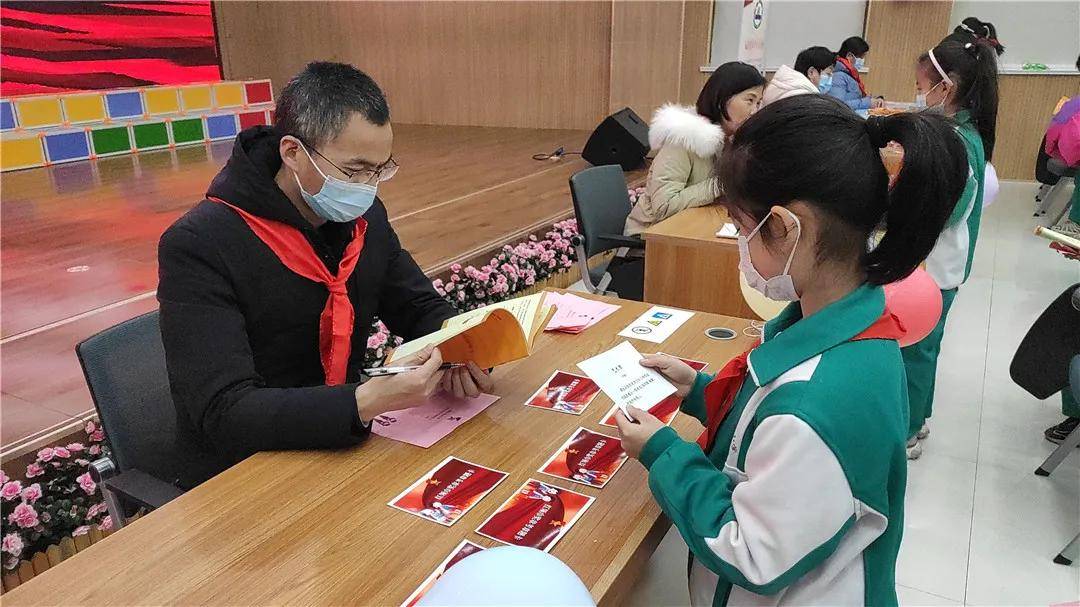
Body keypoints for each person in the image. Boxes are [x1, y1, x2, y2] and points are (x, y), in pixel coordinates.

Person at [615, 94, 967, 607]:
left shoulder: (815, 405)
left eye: (742, 229)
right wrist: (699, 390)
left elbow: (753, 552)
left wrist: (663, 453)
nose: (740, 245)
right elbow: (766, 428)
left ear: (785, 226)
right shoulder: (846, 323)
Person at [158, 62, 492, 488]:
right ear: (293, 153)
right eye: (354, 171)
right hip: (246, 471)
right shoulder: (201, 243)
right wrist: (364, 401)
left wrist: (463, 346)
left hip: (342, 445)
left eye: (380, 169)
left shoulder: (363, 215)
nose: (369, 186)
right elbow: (225, 411)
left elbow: (415, 304)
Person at [904, 39, 999, 458]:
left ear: (947, 86)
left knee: (916, 349)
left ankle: (907, 428)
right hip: (945, 261)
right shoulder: (963, 132)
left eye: (924, 84)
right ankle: (918, 418)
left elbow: (948, 207)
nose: (920, 92)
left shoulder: (957, 140)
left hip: (937, 263)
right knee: (926, 345)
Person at [624, 61, 765, 237]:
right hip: (648, 241)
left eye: (759, 103)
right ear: (722, 99)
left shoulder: (731, 141)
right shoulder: (683, 140)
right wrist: (722, 182)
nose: (755, 111)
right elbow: (665, 206)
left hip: (690, 232)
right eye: (750, 100)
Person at [762, 45, 834, 105]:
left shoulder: (782, 86)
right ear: (811, 72)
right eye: (828, 74)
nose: (831, 79)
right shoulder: (806, 100)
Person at [827, 36, 885, 110]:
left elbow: (854, 97)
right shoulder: (839, 75)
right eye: (861, 57)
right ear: (849, 56)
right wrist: (868, 103)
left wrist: (876, 100)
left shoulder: (849, 73)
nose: (862, 60)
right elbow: (837, 105)